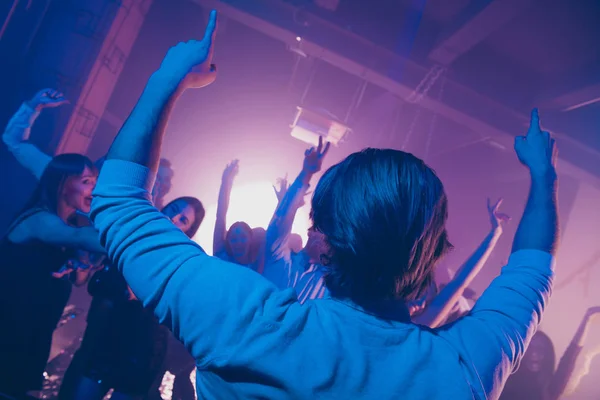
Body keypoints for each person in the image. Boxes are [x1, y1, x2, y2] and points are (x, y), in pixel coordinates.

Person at [90, 11, 559, 399]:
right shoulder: (462, 369)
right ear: (432, 255)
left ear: (326, 243)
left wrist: (167, 79)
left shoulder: (243, 319)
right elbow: (531, 271)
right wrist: (543, 176)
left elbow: (116, 201)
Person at [58, 196, 205, 400]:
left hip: (141, 348)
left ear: (188, 232)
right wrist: (84, 263)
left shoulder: (176, 259)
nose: (174, 218)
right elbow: (96, 280)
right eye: (174, 209)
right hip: (105, 339)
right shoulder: (131, 235)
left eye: (184, 220)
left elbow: (135, 293)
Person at [0, 153, 105, 399]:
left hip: (34, 331)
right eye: (87, 181)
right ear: (62, 183)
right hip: (9, 331)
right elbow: (81, 239)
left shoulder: (68, 223)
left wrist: (81, 265)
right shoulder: (39, 219)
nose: (95, 189)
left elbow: (80, 280)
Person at [2, 88, 174, 209]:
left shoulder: (118, 228)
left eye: (159, 183)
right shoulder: (67, 179)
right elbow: (15, 141)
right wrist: (34, 105)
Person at [410, 198, 510, 327]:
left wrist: (495, 232)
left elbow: (459, 281)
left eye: (423, 298)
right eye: (417, 295)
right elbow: (460, 281)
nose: (420, 304)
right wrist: (495, 233)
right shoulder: (417, 325)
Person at [262, 137, 330, 303]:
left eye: (328, 234)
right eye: (319, 229)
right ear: (310, 231)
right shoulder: (280, 257)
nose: (322, 236)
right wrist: (306, 173)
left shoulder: (330, 285)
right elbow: (281, 220)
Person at [500, 307, 600, 400]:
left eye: (540, 348)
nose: (534, 353)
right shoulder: (504, 381)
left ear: (548, 355)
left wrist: (587, 319)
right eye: (529, 348)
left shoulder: (551, 388)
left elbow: (570, 356)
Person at [212, 159, 255, 267]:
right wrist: (226, 181)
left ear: (251, 239)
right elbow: (220, 215)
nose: (238, 242)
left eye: (243, 236)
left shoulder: (258, 262)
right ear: (228, 242)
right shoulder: (221, 256)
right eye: (233, 238)